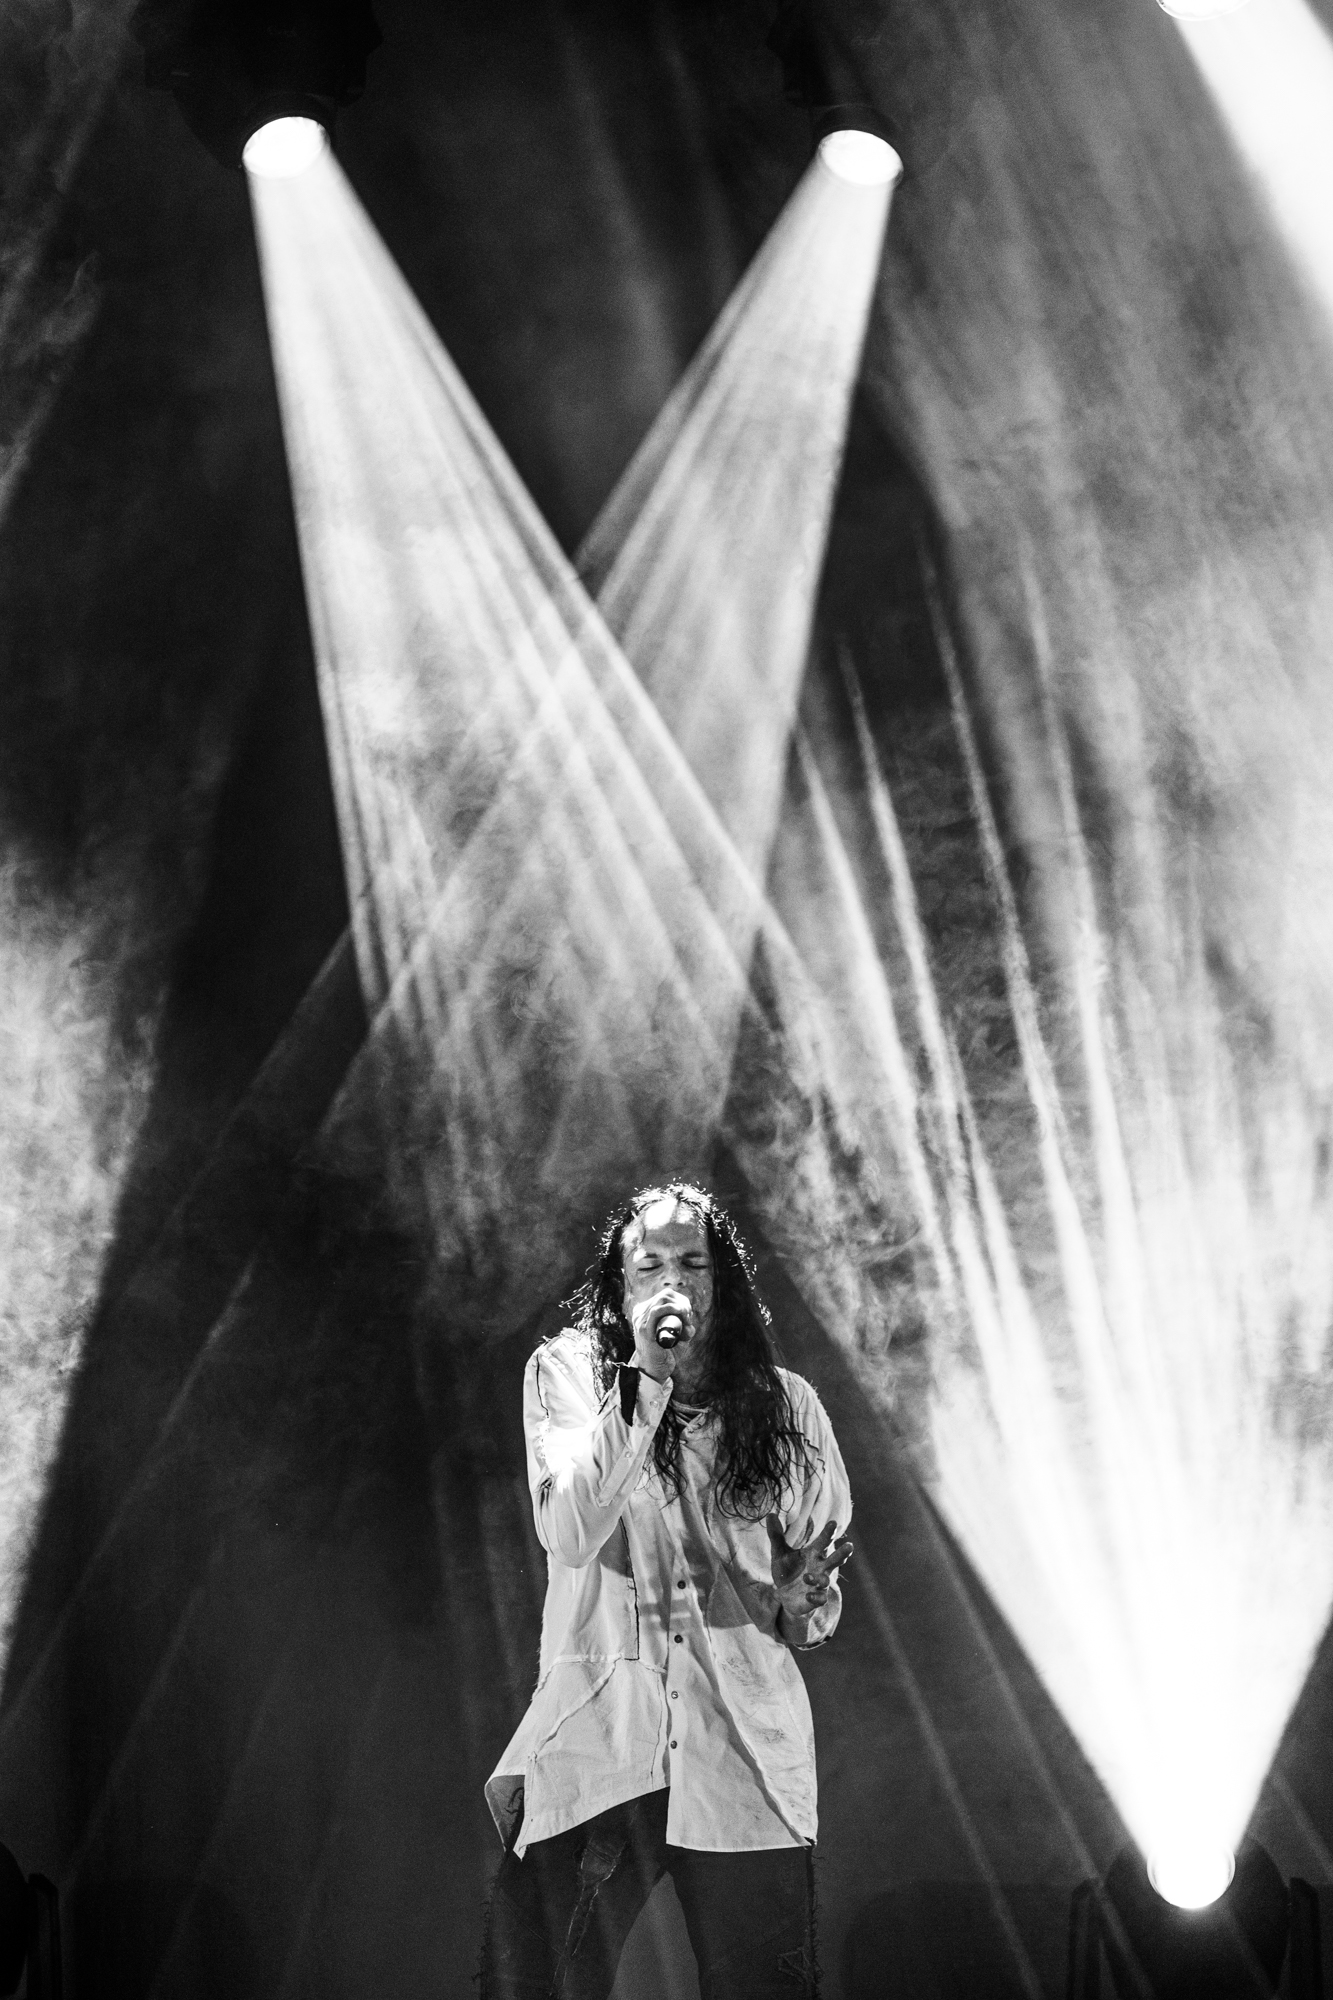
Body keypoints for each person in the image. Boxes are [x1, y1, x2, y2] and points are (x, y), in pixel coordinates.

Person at [480, 1180, 853, 2000]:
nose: (671, 1281)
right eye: (649, 1265)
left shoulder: (787, 1408)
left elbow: (810, 1602)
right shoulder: (569, 1374)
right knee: (535, 1982)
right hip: (602, 1742)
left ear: (722, 1283)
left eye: (691, 1263)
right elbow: (570, 1531)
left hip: (743, 1758)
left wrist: (802, 1604)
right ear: (620, 1286)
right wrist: (645, 1378)